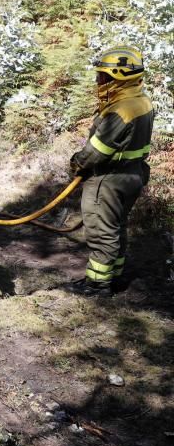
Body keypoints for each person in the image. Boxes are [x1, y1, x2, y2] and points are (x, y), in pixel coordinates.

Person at [68, 46, 153, 297]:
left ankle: (97, 285)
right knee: (117, 227)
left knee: (101, 232)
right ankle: (113, 277)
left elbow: (96, 151)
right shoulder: (141, 101)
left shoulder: (121, 109)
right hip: (133, 174)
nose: (98, 80)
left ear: (118, 78)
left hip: (109, 179)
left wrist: (77, 163)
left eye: (103, 76)